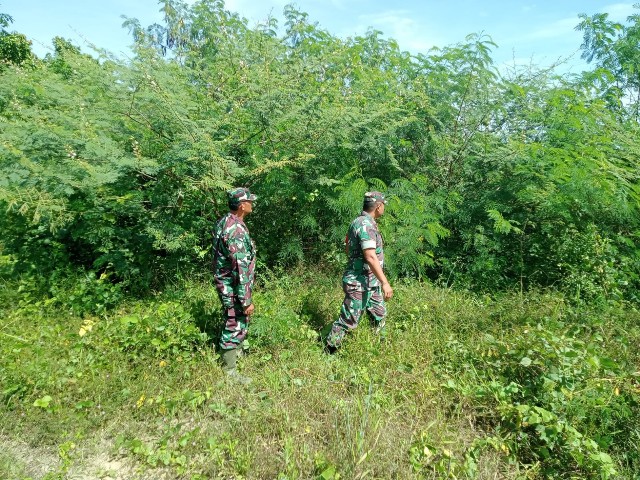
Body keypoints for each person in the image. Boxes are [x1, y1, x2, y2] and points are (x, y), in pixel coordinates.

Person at [326, 191, 393, 352]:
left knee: (379, 313)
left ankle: (380, 347)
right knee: (348, 320)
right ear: (378, 206)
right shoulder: (366, 226)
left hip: (370, 282)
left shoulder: (358, 222)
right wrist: (385, 283)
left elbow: (348, 248)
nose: (383, 208)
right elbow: (370, 256)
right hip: (359, 283)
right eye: (383, 205)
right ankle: (329, 352)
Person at [212, 187, 257, 384]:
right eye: (249, 201)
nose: (252, 204)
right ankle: (230, 373)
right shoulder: (236, 230)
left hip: (226, 284)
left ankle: (235, 354)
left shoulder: (225, 222)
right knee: (235, 323)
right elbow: (240, 268)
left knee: (234, 320)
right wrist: (245, 300)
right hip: (233, 286)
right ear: (241, 206)